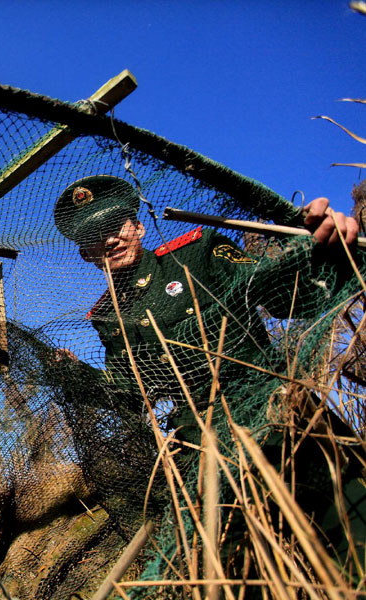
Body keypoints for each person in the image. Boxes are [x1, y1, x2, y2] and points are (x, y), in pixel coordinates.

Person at [51, 174, 365, 566]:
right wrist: (76, 375)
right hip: (204, 453)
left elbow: (286, 297)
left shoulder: (197, 253)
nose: (110, 239)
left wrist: (321, 247)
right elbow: (132, 390)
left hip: (281, 418)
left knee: (354, 532)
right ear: (86, 253)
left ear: (137, 227)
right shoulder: (106, 317)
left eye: (115, 226)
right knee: (245, 573)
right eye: (95, 235)